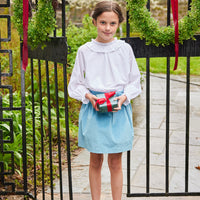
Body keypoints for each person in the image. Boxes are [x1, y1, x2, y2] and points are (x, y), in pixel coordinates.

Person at [68, 1, 141, 199]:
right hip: (94, 110)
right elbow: (75, 84)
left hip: (118, 108)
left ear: (119, 24)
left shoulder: (124, 50)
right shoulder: (85, 50)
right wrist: (88, 96)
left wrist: (124, 97)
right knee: (95, 161)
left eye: (112, 23)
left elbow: (135, 82)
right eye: (103, 22)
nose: (107, 28)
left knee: (116, 163)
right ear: (94, 22)